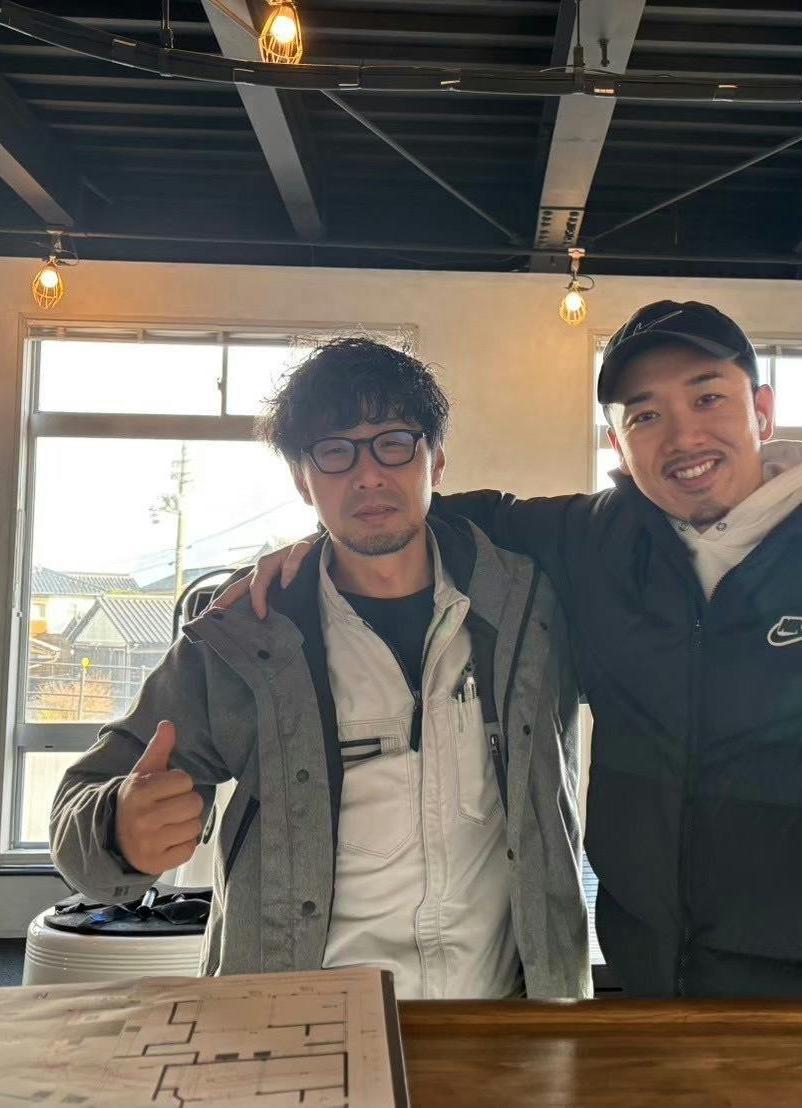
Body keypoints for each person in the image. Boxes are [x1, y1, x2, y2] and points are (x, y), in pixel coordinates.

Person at [218, 302, 802, 999]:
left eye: (706, 397)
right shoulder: (590, 549)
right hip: (664, 1005)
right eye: (644, 415)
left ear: (761, 407)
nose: (681, 436)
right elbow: (406, 514)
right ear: (617, 438)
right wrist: (300, 555)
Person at [50, 338, 590, 1000]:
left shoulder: (531, 609)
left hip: (506, 1017)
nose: (368, 475)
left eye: (394, 443)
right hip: (300, 1017)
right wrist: (117, 831)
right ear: (303, 479)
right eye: (335, 452)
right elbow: (79, 807)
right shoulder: (245, 636)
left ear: (437, 458)